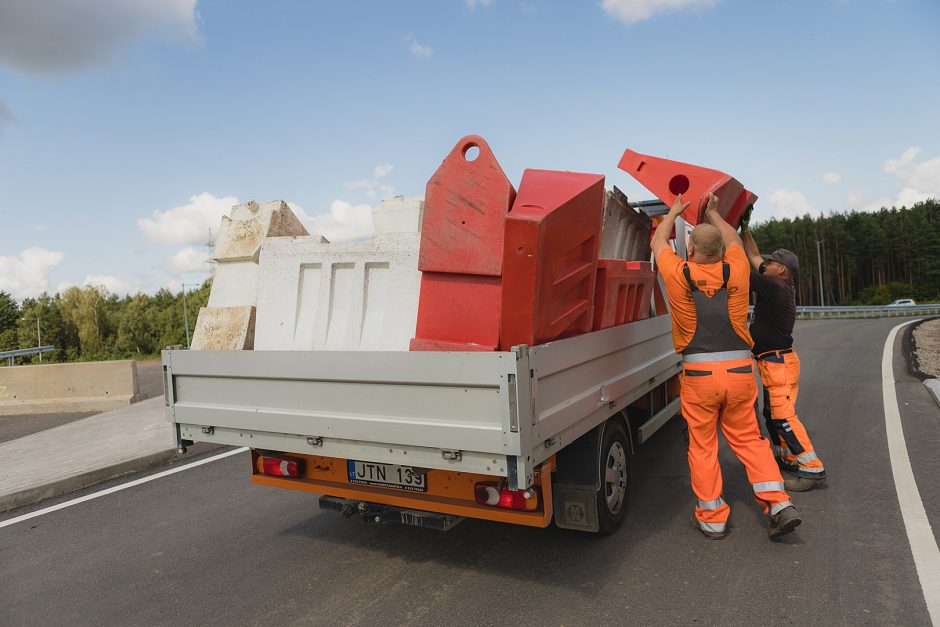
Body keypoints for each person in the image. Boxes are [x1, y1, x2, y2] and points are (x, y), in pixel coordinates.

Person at [651, 192, 802, 540]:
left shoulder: (677, 272)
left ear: (690, 251)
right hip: (739, 373)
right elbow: (734, 238)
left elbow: (659, 239)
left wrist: (675, 210)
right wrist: (716, 214)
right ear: (720, 251)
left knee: (703, 445)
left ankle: (712, 517)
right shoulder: (735, 269)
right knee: (750, 440)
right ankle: (778, 504)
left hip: (699, 376)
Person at [740, 208, 827, 491]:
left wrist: (725, 243)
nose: (766, 263)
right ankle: (787, 457)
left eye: (772, 262)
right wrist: (745, 229)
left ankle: (812, 468)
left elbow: (743, 267)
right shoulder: (776, 280)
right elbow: (754, 257)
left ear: (783, 270)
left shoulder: (776, 288)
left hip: (779, 364)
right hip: (772, 363)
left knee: (783, 417)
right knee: (771, 414)